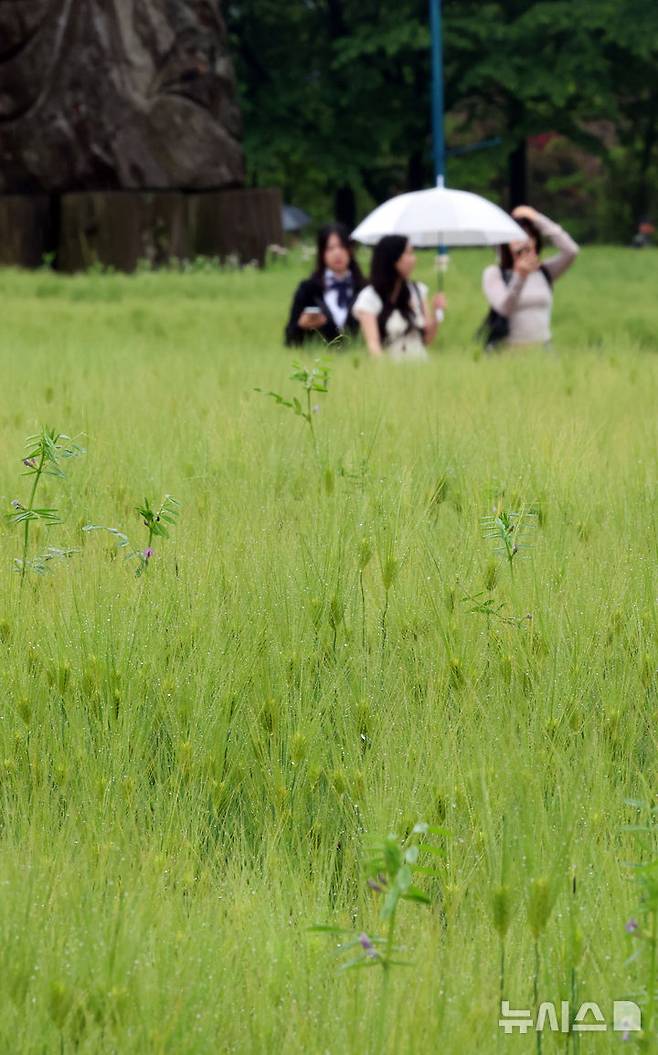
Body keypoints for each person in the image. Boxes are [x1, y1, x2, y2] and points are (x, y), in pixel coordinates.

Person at [481, 205, 579, 349]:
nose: (523, 241)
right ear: (506, 244)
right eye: (516, 237)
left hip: (544, 349)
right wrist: (520, 276)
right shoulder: (494, 273)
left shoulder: (545, 272)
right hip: (507, 351)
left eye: (528, 236)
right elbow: (505, 308)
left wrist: (537, 218)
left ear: (535, 241)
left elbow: (571, 251)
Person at [352, 235, 446, 360]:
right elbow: (373, 345)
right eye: (408, 253)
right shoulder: (369, 297)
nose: (413, 259)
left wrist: (436, 313)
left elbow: (427, 340)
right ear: (392, 258)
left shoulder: (417, 290)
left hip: (421, 365)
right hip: (390, 367)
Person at [284, 223, 365, 347]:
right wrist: (301, 326)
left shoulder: (364, 288)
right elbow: (289, 340)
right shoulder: (308, 289)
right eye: (330, 248)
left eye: (342, 247)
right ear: (322, 253)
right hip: (319, 361)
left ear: (351, 250)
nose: (337, 253)